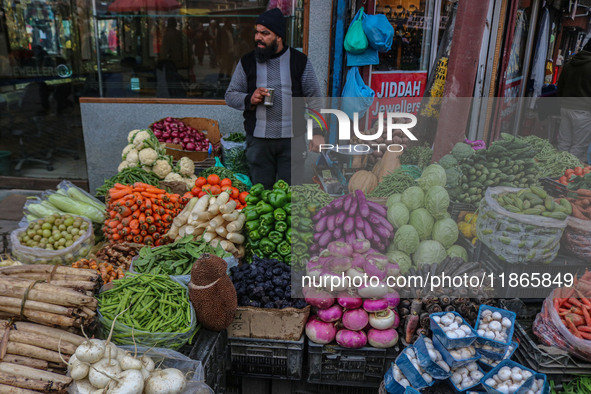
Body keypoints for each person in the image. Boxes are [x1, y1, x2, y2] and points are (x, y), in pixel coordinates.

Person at [224, 8, 324, 188]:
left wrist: (317, 131)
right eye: (257, 32)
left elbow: (314, 97)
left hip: (292, 140)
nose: (258, 37)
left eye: (265, 33)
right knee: (262, 195)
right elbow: (230, 96)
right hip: (258, 142)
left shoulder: (299, 61)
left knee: (292, 193)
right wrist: (250, 99)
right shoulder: (247, 62)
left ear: (279, 36)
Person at [556, 39, 591, 163]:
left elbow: (559, 88)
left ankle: (557, 171)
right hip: (583, 112)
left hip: (565, 108)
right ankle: (566, 176)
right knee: (578, 147)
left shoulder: (569, 63)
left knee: (563, 144)